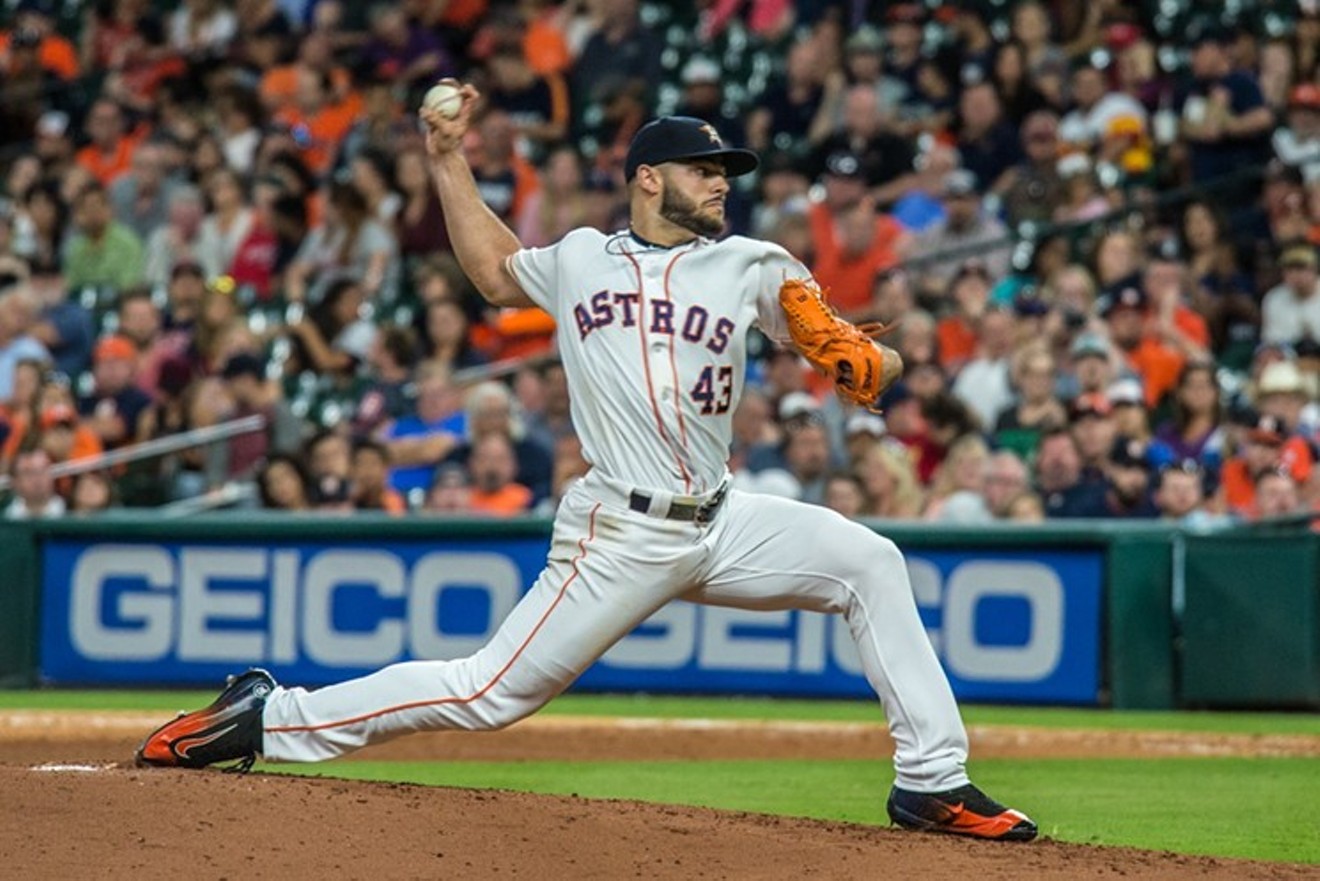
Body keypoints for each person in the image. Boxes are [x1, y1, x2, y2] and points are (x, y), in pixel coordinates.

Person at [134, 91, 1037, 843]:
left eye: (726, 172)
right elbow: (491, 271)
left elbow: (846, 341)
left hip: (722, 519)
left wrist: (868, 361)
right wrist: (447, 159)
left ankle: (931, 780)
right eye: (704, 169)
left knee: (869, 561)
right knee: (488, 691)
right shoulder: (578, 259)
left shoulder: (751, 265)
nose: (722, 183)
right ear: (649, 178)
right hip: (620, 531)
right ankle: (267, 716)